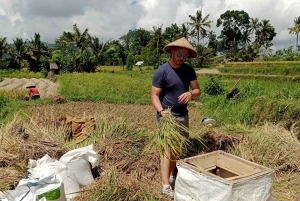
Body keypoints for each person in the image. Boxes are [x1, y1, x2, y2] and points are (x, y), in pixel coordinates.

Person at [151, 37, 201, 198]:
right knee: (167, 151)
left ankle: (172, 176)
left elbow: (197, 91)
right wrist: (161, 112)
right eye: (179, 54)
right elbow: (154, 95)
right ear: (172, 52)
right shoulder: (162, 71)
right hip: (168, 118)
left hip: (183, 116)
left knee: (176, 150)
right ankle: (165, 186)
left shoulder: (188, 71)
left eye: (185, 56)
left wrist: (190, 93)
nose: (182, 59)